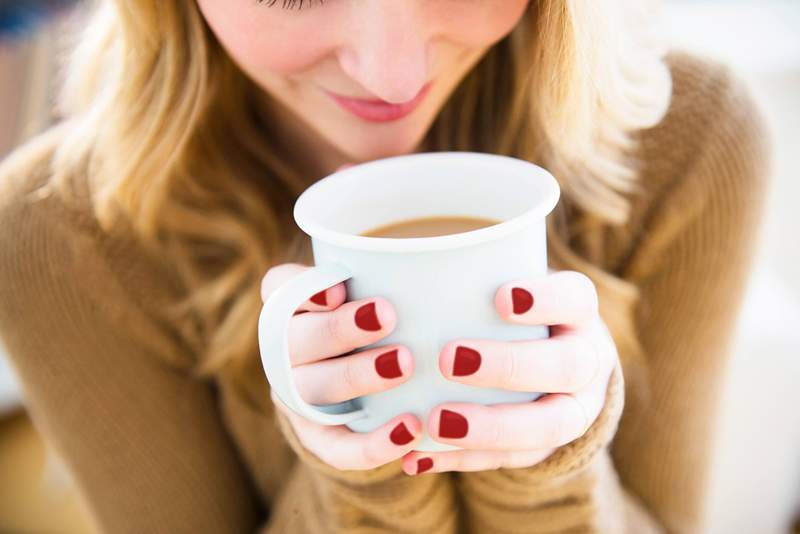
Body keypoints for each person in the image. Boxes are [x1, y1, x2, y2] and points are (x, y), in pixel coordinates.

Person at [0, 1, 771, 533]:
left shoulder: (689, 144)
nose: (392, 77)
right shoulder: (58, 235)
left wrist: (550, 464)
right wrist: (362, 469)